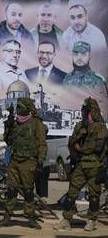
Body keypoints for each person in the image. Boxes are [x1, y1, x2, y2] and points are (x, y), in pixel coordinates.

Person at [55, 97, 107, 232]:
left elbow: (98, 148)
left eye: (87, 111)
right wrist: (79, 136)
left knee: (94, 196)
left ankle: (92, 220)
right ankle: (67, 219)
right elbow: (71, 142)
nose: (84, 113)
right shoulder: (80, 126)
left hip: (95, 165)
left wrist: (81, 149)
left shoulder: (100, 127)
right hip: (81, 164)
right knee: (71, 194)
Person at [0, 97, 46, 229]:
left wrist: (40, 161)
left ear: (27, 108)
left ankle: (30, 217)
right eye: (17, 107)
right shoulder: (15, 123)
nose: (18, 110)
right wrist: (8, 127)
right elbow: (8, 141)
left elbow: (42, 143)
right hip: (15, 160)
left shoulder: (36, 123)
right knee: (11, 189)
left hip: (28, 161)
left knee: (28, 191)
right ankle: (7, 216)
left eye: (20, 107)